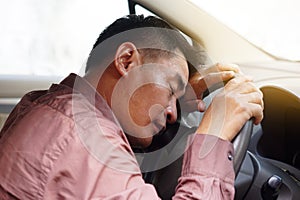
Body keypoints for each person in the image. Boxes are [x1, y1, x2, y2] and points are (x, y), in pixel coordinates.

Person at [0, 15, 264, 199]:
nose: (172, 114)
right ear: (126, 61)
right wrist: (214, 135)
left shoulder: (47, 105)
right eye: (171, 88)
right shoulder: (86, 138)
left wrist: (180, 96)